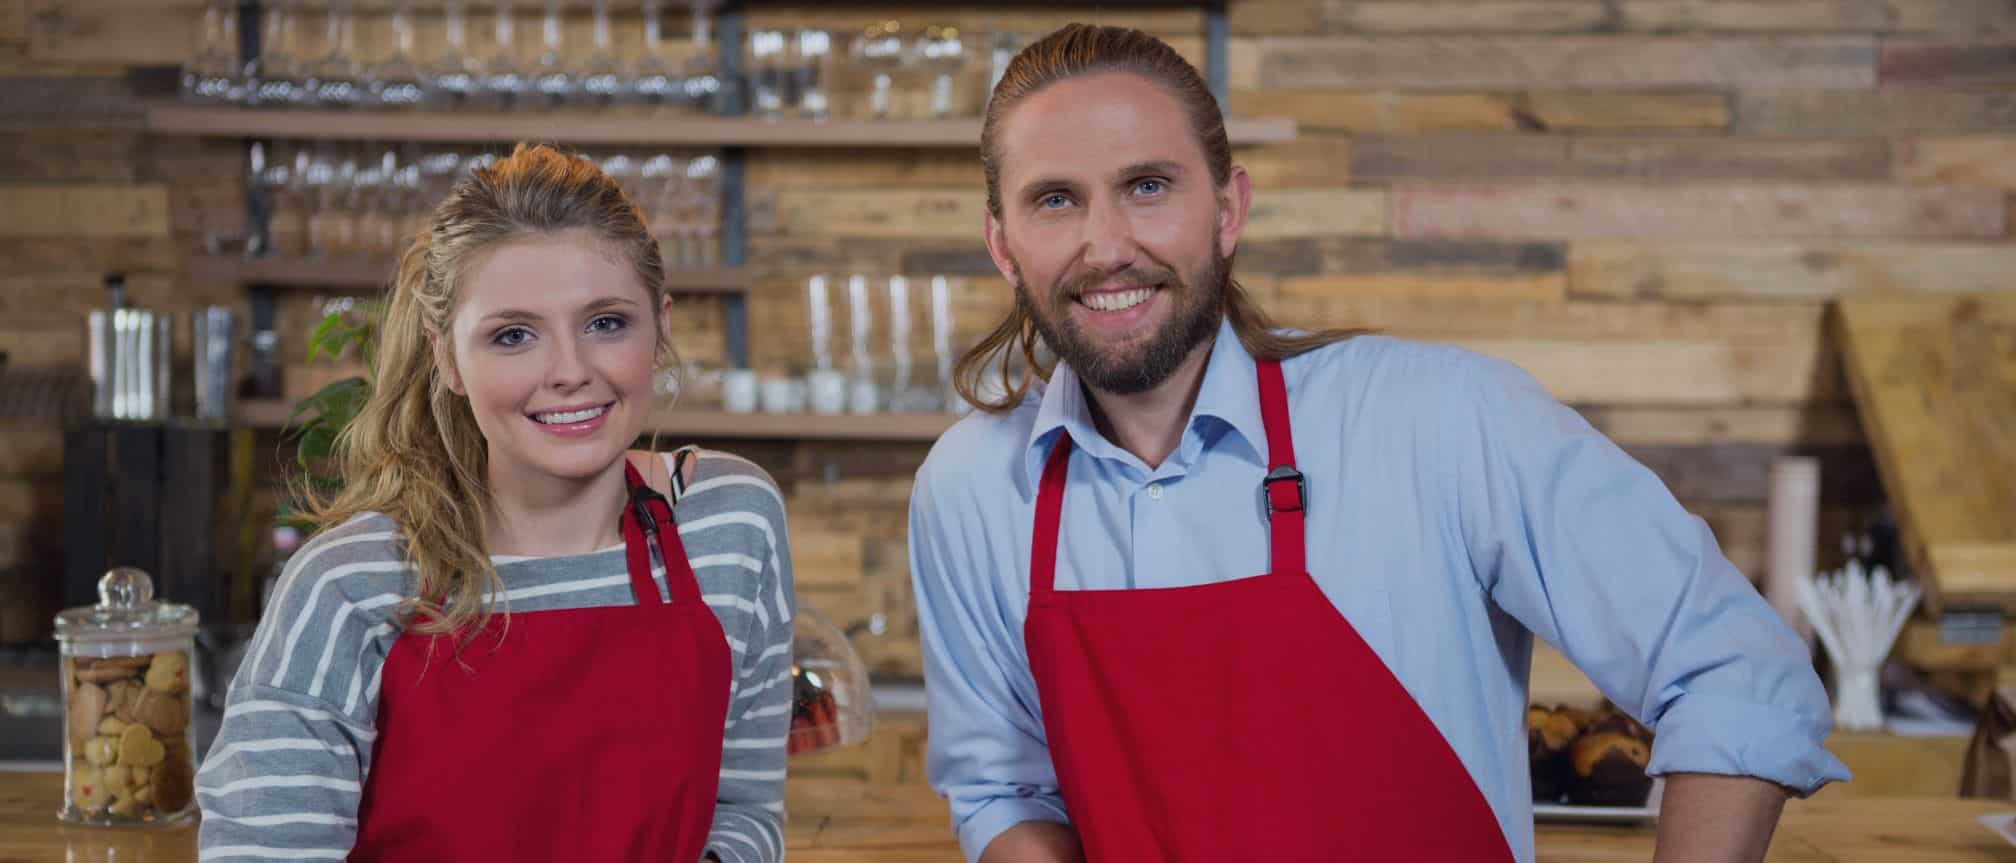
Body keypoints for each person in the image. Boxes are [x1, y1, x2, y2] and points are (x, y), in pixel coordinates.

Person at [906, 24, 1850, 863]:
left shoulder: (1439, 421)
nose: (1106, 244)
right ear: (1001, 241)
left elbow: (1738, 669)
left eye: (1146, 186)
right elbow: (1004, 791)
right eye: (1055, 200)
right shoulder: (974, 489)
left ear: (1229, 210)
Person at [196, 144, 794, 863]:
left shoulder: (729, 525)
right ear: (447, 358)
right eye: (513, 335)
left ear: (660, 329)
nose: (570, 371)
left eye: (607, 322)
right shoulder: (349, 585)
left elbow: (741, 813)